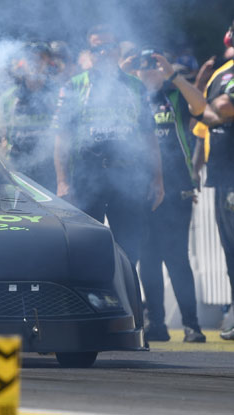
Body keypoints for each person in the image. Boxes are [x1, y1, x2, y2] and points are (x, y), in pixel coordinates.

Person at [53, 25, 164, 267]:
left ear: (118, 50)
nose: (103, 53)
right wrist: (62, 181)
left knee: (129, 252)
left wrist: (157, 178)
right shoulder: (74, 85)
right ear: (89, 52)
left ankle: (126, 292)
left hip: (127, 176)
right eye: (97, 48)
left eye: (109, 47)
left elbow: (149, 136)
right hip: (86, 177)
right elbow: (62, 137)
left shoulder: (135, 86)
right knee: (86, 251)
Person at [136, 52, 207, 343]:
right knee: (148, 259)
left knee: (176, 257)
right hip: (142, 190)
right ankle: (156, 324)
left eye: (155, 67)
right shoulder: (133, 98)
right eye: (143, 68)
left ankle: (192, 325)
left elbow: (201, 107)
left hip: (177, 188)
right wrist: (125, 68)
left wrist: (173, 75)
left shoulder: (174, 94)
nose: (150, 72)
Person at [191, 21, 234, 340]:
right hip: (221, 175)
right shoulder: (220, 73)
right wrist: (194, 169)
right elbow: (202, 128)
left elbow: (221, 108)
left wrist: (203, 104)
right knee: (229, 249)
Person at [1, 42, 57, 192]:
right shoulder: (9, 96)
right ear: (23, 62)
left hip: (48, 167)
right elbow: (2, 135)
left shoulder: (57, 93)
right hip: (16, 167)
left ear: (47, 62)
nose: (35, 63)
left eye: (40, 58)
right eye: (30, 58)